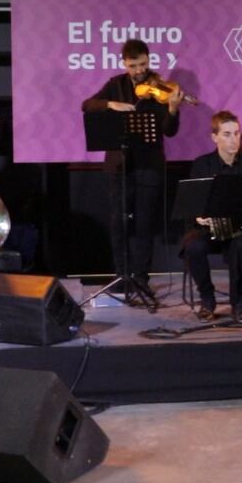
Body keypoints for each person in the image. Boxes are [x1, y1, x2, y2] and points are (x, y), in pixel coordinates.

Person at [82, 39, 183, 293]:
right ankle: (122, 276)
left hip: (149, 165)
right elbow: (87, 105)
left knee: (144, 224)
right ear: (124, 63)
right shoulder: (115, 84)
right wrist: (110, 104)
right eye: (133, 65)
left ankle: (141, 278)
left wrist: (172, 109)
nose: (139, 70)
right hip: (120, 166)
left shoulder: (160, 88)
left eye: (143, 64)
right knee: (119, 222)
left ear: (149, 60)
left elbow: (169, 132)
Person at [182, 111, 242, 322]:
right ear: (214, 137)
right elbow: (192, 205)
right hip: (210, 229)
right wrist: (199, 216)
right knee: (193, 247)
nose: (233, 139)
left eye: (236, 133)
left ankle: (239, 303)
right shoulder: (202, 164)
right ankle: (207, 298)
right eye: (227, 134)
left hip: (241, 229)